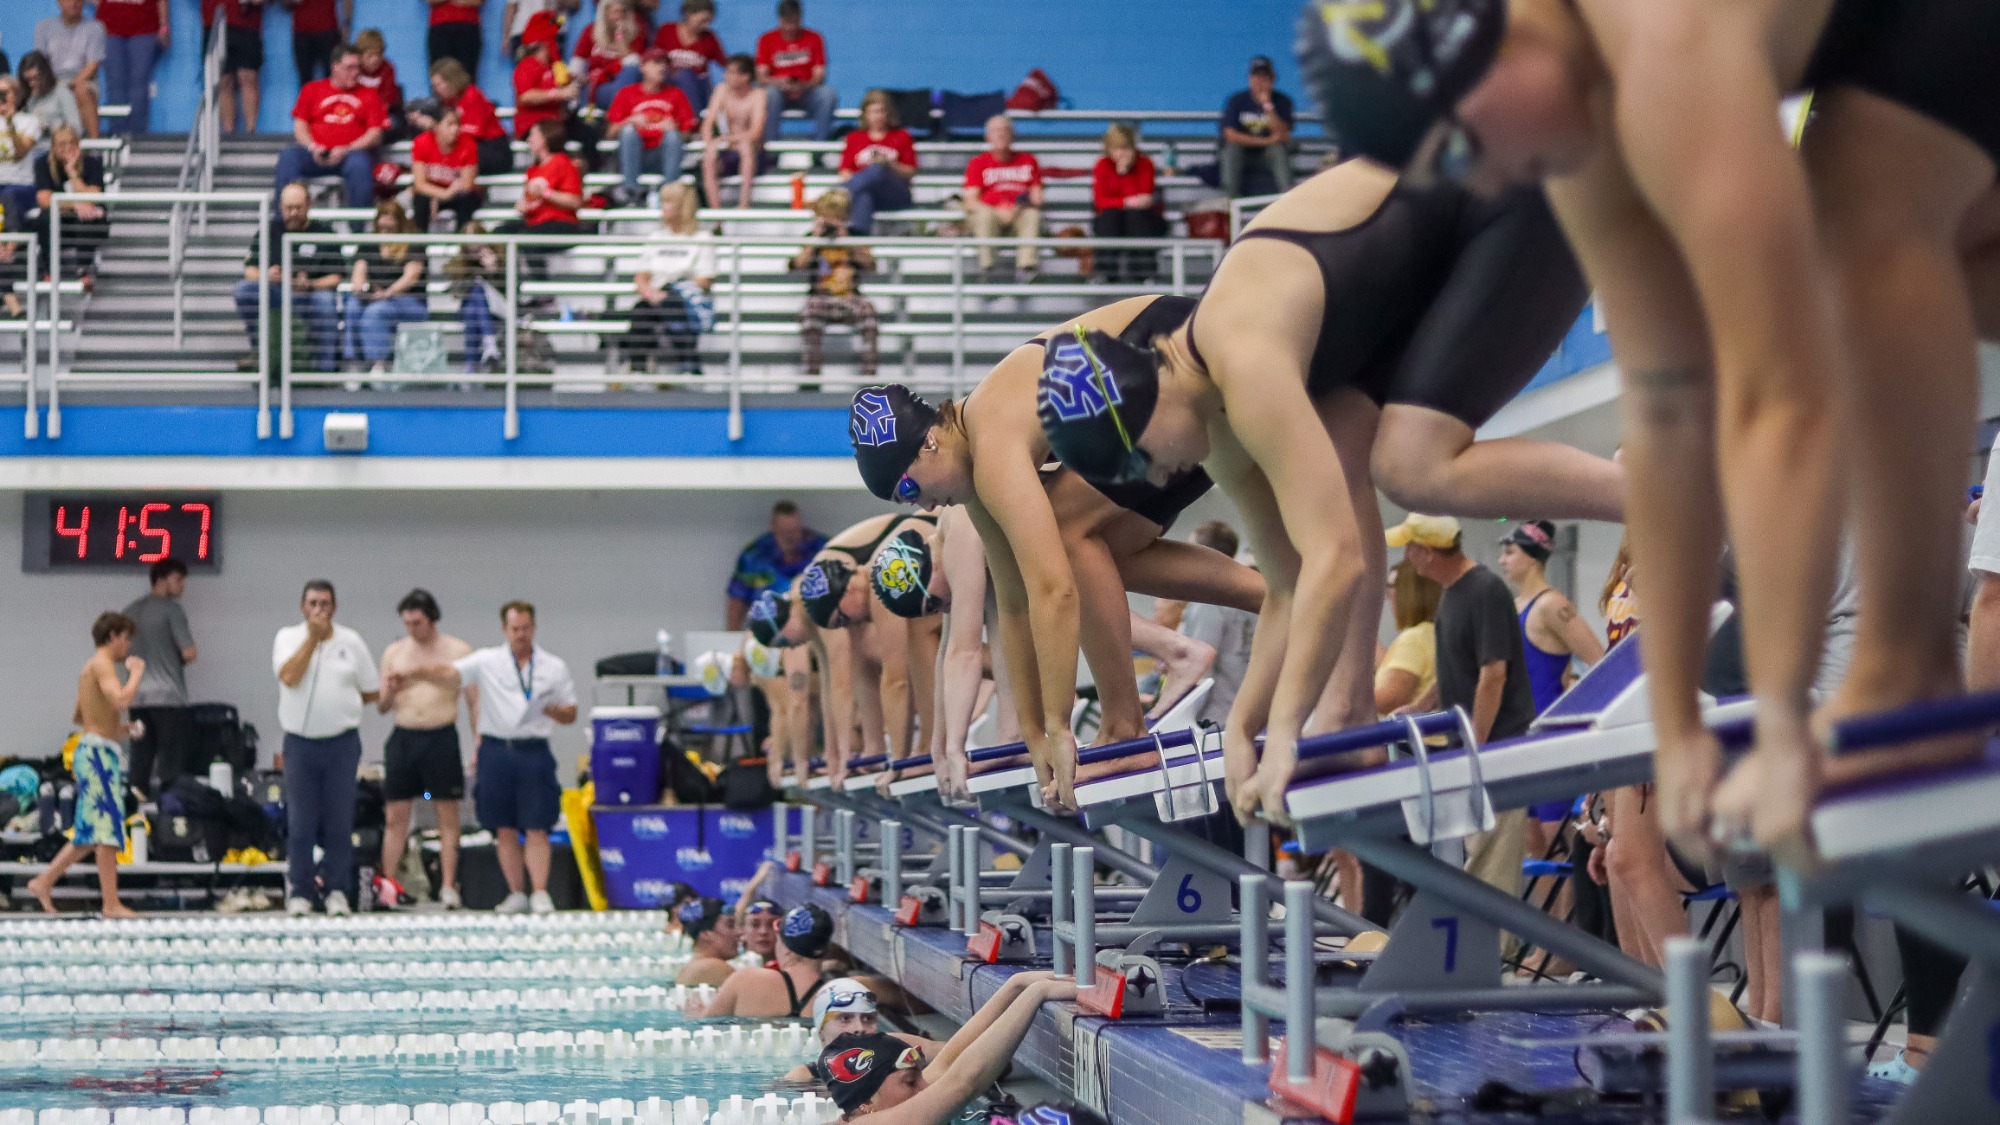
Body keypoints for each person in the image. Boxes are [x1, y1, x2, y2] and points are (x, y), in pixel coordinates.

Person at [1300, 0, 2000, 860]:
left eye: (1460, 147)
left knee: (1865, 229)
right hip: (1869, 47)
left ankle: (1908, 671)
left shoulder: (1667, 54)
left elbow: (1780, 401)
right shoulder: (1583, 129)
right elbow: (1668, 421)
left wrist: (1781, 722)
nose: (1479, 182)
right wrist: (1677, 725)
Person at [1033, 162, 1616, 822]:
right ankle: (1347, 710)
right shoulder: (1220, 417)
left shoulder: (1243, 359)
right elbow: (1289, 582)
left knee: (1412, 465)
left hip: (1515, 191)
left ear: (1145, 403)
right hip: (1449, 245)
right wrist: (1241, 724)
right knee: (1343, 444)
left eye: (1142, 459)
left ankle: (1672, 500)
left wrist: (1284, 735)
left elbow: (1338, 561)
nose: (1159, 480)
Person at [853, 305, 1265, 809]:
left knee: (1068, 536)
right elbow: (1015, 607)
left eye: (909, 487)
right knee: (1105, 554)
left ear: (931, 442)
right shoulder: (977, 485)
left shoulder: (991, 441)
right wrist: (1035, 736)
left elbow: (1055, 592)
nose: (920, 505)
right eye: (903, 501)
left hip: (1189, 357)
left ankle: (1122, 728)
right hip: (1175, 379)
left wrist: (1059, 723)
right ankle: (1282, 599)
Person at [396, 600, 578, 915]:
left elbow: (571, 712)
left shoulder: (553, 666)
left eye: (525, 629)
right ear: (504, 630)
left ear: (533, 628)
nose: (520, 635)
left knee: (537, 825)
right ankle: (515, 891)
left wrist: (550, 709)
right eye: (514, 629)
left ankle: (539, 891)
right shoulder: (487, 661)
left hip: (533, 750)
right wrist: (417, 674)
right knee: (502, 826)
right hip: (496, 750)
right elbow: (450, 674)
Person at [1393, 514, 1534, 899]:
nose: (1407, 558)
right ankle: (1482, 953)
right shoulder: (1452, 594)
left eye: (1410, 549)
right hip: (1471, 746)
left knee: (1489, 864)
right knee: (1474, 854)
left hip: (1497, 746)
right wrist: (1420, 707)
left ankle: (1490, 955)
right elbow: (1456, 668)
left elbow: (1493, 675)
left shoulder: (1484, 590)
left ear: (1427, 551)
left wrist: (1477, 744)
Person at [814, 971, 1081, 1125]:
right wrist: (1036, 995)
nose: (925, 1085)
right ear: (866, 1103)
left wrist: (1015, 986)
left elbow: (950, 1064)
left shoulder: (877, 1100)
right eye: (910, 1081)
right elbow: (964, 1083)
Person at [273, 579, 381, 916]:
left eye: (325, 603)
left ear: (334, 607)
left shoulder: (352, 642)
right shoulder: (287, 637)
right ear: (303, 608)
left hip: (341, 743)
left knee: (339, 821)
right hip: (300, 744)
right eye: (313, 603)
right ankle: (300, 892)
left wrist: (342, 705)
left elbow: (371, 690)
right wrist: (312, 640)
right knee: (302, 821)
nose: (319, 609)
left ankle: (337, 890)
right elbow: (289, 676)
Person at [25, 612, 144, 918]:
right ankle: (111, 903)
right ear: (114, 636)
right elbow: (120, 701)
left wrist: (122, 730)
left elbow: (84, 716)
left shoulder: (89, 669)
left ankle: (43, 881)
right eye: (126, 637)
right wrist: (136, 673)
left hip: (93, 748)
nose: (128, 644)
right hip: (97, 756)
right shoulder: (103, 665)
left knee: (90, 833)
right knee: (105, 829)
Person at [373, 588, 472, 911]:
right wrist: (390, 690)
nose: (412, 630)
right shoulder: (395, 652)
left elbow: (469, 695)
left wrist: (478, 738)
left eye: (418, 623)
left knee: (446, 815)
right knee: (395, 816)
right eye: (408, 623)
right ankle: (387, 883)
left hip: (440, 735)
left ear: (431, 620)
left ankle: (447, 885)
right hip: (404, 736)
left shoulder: (457, 650)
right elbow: (383, 706)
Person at [1497, 520, 1606, 714]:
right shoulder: (1513, 606)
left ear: (1532, 558)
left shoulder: (1552, 605)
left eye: (1509, 552)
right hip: (1515, 730)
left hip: (1544, 731)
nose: (1501, 560)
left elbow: (1603, 662)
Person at [236, 182, 343, 373]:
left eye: (298, 208)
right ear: (281, 208)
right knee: (245, 290)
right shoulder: (269, 231)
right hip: (277, 293)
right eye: (289, 208)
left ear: (309, 205)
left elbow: (336, 277)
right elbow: (250, 271)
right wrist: (267, 277)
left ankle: (325, 370)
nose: (293, 213)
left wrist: (310, 284)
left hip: (309, 296)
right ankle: (260, 353)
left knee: (325, 300)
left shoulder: (325, 233)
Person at [273, 44, 388, 210]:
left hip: (350, 155)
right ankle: (283, 220)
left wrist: (347, 148)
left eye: (358, 68)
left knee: (360, 164)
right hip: (316, 154)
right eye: (350, 68)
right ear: (335, 67)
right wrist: (313, 147)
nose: (355, 72)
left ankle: (358, 229)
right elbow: (300, 127)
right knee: (288, 157)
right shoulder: (312, 89)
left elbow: (375, 133)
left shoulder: (369, 94)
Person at [619, 181, 714, 374]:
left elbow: (704, 279)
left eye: (668, 202)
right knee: (641, 311)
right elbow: (641, 276)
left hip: (685, 300)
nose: (663, 207)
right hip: (656, 297)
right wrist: (651, 293)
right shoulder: (656, 237)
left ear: (682, 206)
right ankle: (639, 367)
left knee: (672, 306)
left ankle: (687, 365)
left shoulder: (702, 238)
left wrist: (671, 291)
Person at [122, 558, 197, 802]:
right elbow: (189, 653)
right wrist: (174, 659)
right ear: (163, 580)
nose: (183, 586)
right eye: (178, 580)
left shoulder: (129, 612)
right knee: (171, 763)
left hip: (137, 698)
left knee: (140, 758)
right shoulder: (172, 610)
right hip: (169, 698)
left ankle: (136, 810)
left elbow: (121, 655)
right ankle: (171, 813)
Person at [780, 978, 944, 1083]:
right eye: (845, 1019)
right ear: (821, 1031)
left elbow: (947, 1052)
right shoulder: (804, 1078)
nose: (859, 1028)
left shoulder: (894, 1047)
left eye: (867, 1019)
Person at [1176, 521, 1255, 731]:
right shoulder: (1250, 596)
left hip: (1212, 720)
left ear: (1200, 554)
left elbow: (1198, 666)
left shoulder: (1207, 600)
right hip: (1248, 714)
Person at [793, 189, 877, 379]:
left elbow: (870, 265)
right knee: (809, 313)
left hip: (851, 296)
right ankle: (811, 375)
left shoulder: (855, 236)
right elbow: (797, 264)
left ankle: (870, 378)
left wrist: (845, 238)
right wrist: (815, 238)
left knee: (869, 313)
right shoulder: (812, 237)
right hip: (820, 296)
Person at [698, 903, 830, 1018]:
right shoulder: (839, 992)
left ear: (785, 945)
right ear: (826, 947)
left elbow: (703, 1029)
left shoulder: (746, 980)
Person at [342, 199, 428, 375]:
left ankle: (378, 364)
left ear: (400, 224)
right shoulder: (370, 243)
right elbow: (359, 272)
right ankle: (354, 363)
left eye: (390, 226)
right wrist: (361, 291)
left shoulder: (412, 242)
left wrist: (389, 293)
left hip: (409, 302)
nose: (385, 229)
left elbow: (411, 277)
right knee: (352, 305)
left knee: (376, 312)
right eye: (382, 225)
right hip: (376, 298)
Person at [494, 119, 583, 284]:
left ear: (545, 137)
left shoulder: (562, 163)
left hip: (562, 223)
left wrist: (547, 193)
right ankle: (506, 287)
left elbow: (575, 201)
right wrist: (524, 206)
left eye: (533, 135)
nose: (529, 139)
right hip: (535, 222)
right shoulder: (532, 170)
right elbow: (533, 202)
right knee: (499, 232)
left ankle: (542, 292)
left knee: (528, 240)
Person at [607, 48, 695, 208]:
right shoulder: (626, 93)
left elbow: (687, 134)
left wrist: (673, 128)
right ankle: (631, 192)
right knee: (627, 132)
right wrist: (629, 121)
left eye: (664, 64)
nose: (661, 68)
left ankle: (671, 193)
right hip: (633, 155)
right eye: (656, 63)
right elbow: (610, 134)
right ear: (643, 67)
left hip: (662, 155)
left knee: (673, 137)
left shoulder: (676, 94)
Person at [512, 14, 599, 171]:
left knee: (589, 132)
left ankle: (592, 170)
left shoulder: (553, 68)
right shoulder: (526, 66)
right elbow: (525, 96)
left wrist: (577, 82)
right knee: (555, 134)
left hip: (556, 119)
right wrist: (559, 94)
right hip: (535, 123)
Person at [962, 115, 1042, 280]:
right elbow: (970, 201)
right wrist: (998, 211)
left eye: (1005, 130)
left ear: (1012, 134)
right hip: (991, 217)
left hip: (1019, 214)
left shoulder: (1028, 160)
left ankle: (1026, 269)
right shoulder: (978, 162)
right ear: (988, 136)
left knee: (1032, 215)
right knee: (983, 215)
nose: (1001, 134)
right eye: (996, 131)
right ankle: (988, 269)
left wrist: (1016, 209)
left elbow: (1037, 198)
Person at [1090, 122, 1165, 285]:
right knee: (1110, 218)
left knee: (1135, 216)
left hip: (1144, 219)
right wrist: (1125, 201)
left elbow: (1145, 199)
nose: (1122, 153)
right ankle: (1106, 273)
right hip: (1112, 221)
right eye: (1117, 148)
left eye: (1126, 148)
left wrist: (1124, 174)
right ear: (1108, 149)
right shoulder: (1102, 165)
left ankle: (1145, 273)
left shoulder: (1145, 164)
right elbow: (1100, 202)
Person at [34, 123, 108, 285]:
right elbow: (44, 199)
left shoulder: (91, 163)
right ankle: (50, 271)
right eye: (61, 144)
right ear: (53, 146)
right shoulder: (43, 164)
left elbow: (93, 198)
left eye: (71, 143)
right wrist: (76, 205)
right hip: (60, 218)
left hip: (87, 220)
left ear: (78, 144)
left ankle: (83, 271)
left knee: (88, 218)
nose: (67, 148)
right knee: (45, 219)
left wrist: (72, 173)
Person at [839, 90, 916, 237]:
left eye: (882, 111)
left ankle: (836, 194)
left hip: (895, 193)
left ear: (888, 113)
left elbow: (910, 172)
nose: (878, 116)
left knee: (877, 169)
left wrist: (889, 164)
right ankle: (858, 240)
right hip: (867, 193)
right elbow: (845, 172)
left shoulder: (902, 136)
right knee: (864, 196)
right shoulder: (855, 138)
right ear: (865, 114)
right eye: (873, 112)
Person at [755, 0, 834, 141]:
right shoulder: (766, 39)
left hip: (806, 92)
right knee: (769, 94)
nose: (791, 28)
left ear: (800, 18)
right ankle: (771, 148)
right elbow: (761, 76)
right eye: (787, 23)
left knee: (828, 95)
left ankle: (819, 147)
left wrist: (804, 85)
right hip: (779, 93)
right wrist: (780, 83)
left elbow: (820, 75)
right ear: (780, 20)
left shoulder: (814, 38)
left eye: (794, 22)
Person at [1216, 56, 1293, 200]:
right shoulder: (1237, 101)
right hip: (1243, 154)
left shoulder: (1282, 101)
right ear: (1250, 79)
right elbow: (1230, 134)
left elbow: (1282, 134)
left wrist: (1268, 106)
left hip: (1267, 155)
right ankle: (1229, 199)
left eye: (1265, 77)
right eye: (1257, 77)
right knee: (1231, 149)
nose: (1260, 82)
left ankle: (1287, 197)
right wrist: (1267, 141)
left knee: (1278, 151)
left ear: (1273, 79)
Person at [697, 54, 765, 210]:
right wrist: (710, 143)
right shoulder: (721, 90)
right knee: (709, 157)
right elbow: (707, 124)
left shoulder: (758, 95)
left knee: (746, 146)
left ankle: (743, 205)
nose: (726, 76)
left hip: (752, 152)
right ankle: (716, 212)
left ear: (745, 76)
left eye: (731, 72)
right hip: (728, 150)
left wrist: (729, 139)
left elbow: (756, 131)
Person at [1375, 560, 1440, 717]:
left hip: (1411, 738)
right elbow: (1396, 669)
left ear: (1407, 591)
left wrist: (1343, 693)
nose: (1387, 596)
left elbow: (1390, 701)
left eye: (1390, 586)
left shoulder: (1413, 639)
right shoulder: (1430, 632)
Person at [423, 59, 509, 176]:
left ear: (451, 81)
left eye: (438, 84)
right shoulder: (448, 101)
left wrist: (436, 127)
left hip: (491, 149)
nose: (436, 89)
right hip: (472, 148)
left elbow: (475, 132)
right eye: (434, 86)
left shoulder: (472, 95)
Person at [34, 0, 103, 139]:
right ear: (59, 2)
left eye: (78, 0)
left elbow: (92, 65)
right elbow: (40, 62)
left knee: (82, 89)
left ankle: (95, 146)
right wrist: (54, 84)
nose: (74, 3)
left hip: (82, 81)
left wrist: (69, 85)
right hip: (51, 81)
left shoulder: (95, 28)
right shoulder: (43, 27)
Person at [97, 0, 168, 135]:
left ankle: (137, 136)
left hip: (145, 28)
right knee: (115, 85)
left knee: (139, 85)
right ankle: (117, 134)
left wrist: (164, 26)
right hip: (109, 27)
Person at [410, 103, 483, 232]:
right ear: (437, 126)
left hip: (457, 195)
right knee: (420, 200)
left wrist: (446, 195)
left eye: (457, 124)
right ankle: (419, 248)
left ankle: (462, 246)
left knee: (468, 199)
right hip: (434, 193)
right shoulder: (421, 142)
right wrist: (442, 195)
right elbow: (420, 183)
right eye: (450, 124)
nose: (455, 129)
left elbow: (467, 184)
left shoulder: (468, 145)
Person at [573, 0, 645, 111]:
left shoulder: (635, 33)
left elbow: (634, 63)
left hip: (623, 83)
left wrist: (620, 37)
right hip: (597, 85)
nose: (619, 16)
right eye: (615, 12)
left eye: (623, 12)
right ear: (605, 13)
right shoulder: (591, 30)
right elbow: (577, 63)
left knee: (631, 71)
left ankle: (617, 117)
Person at [654, 0, 723, 113]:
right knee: (682, 75)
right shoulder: (667, 31)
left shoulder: (709, 38)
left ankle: (694, 121)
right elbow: (653, 57)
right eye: (702, 21)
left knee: (687, 76)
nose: (706, 25)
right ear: (688, 14)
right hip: (667, 83)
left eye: (708, 21)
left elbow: (725, 63)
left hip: (698, 87)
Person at [211, 0, 264, 136]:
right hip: (216, 20)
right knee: (223, 79)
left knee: (248, 77)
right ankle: (229, 130)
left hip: (247, 23)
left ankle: (250, 131)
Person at [0, 78, 45, 235]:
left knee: (8, 197)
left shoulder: (30, 121)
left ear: (17, 95)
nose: (2, 96)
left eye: (5, 92)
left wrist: (10, 124)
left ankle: (11, 244)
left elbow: (20, 153)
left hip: (21, 185)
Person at [674, 896, 741, 986]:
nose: (738, 932)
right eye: (730, 925)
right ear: (705, 934)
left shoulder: (693, 966)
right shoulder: (714, 967)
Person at [284, 0, 349, 86]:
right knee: (305, 79)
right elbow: (286, 5)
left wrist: (346, 25)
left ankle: (335, 99)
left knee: (335, 76)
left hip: (328, 31)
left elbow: (347, 2)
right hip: (302, 32)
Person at [352, 29, 404, 136]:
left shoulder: (388, 68)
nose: (375, 59)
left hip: (380, 114)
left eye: (379, 55)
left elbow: (387, 100)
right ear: (359, 55)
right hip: (355, 114)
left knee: (396, 124)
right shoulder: (353, 69)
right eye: (370, 56)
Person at [20, 51, 83, 137]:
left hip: (57, 147)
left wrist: (52, 129)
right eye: (28, 80)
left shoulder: (62, 92)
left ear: (45, 74)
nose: (31, 83)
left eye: (35, 78)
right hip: (33, 148)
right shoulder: (30, 99)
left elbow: (76, 128)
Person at [425, 0, 484, 84]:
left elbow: (478, 1)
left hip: (468, 26)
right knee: (439, 72)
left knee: (467, 74)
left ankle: (467, 97)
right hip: (440, 27)